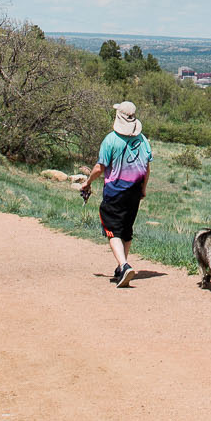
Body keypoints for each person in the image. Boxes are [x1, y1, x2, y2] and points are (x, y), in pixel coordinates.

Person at [77, 101, 151, 288]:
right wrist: (143, 189)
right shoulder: (143, 140)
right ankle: (121, 268)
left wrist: (87, 182)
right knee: (126, 229)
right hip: (134, 191)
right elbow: (147, 167)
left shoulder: (110, 139)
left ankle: (124, 265)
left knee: (112, 229)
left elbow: (99, 167)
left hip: (115, 191)